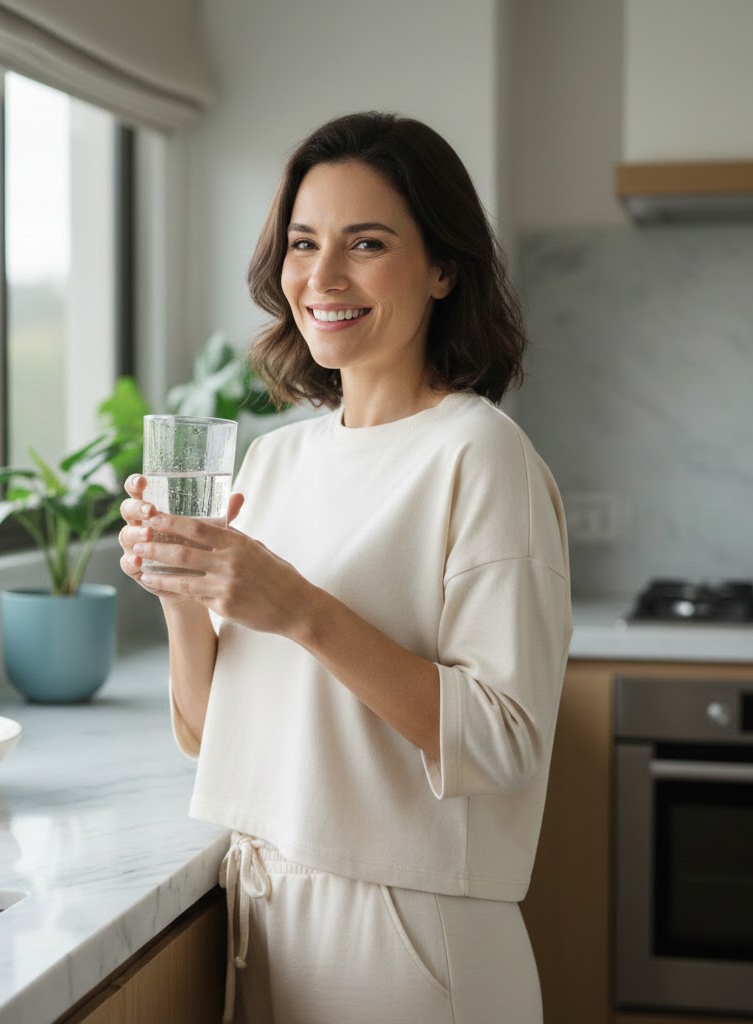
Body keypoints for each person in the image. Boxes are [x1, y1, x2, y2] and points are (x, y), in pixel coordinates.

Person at [117, 111, 572, 1024]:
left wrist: (300, 611)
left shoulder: (481, 456)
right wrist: (178, 593)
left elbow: (502, 741)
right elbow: (219, 733)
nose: (321, 278)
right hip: (272, 921)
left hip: (408, 940)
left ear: (444, 268)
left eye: (366, 244)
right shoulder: (275, 462)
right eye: (302, 243)